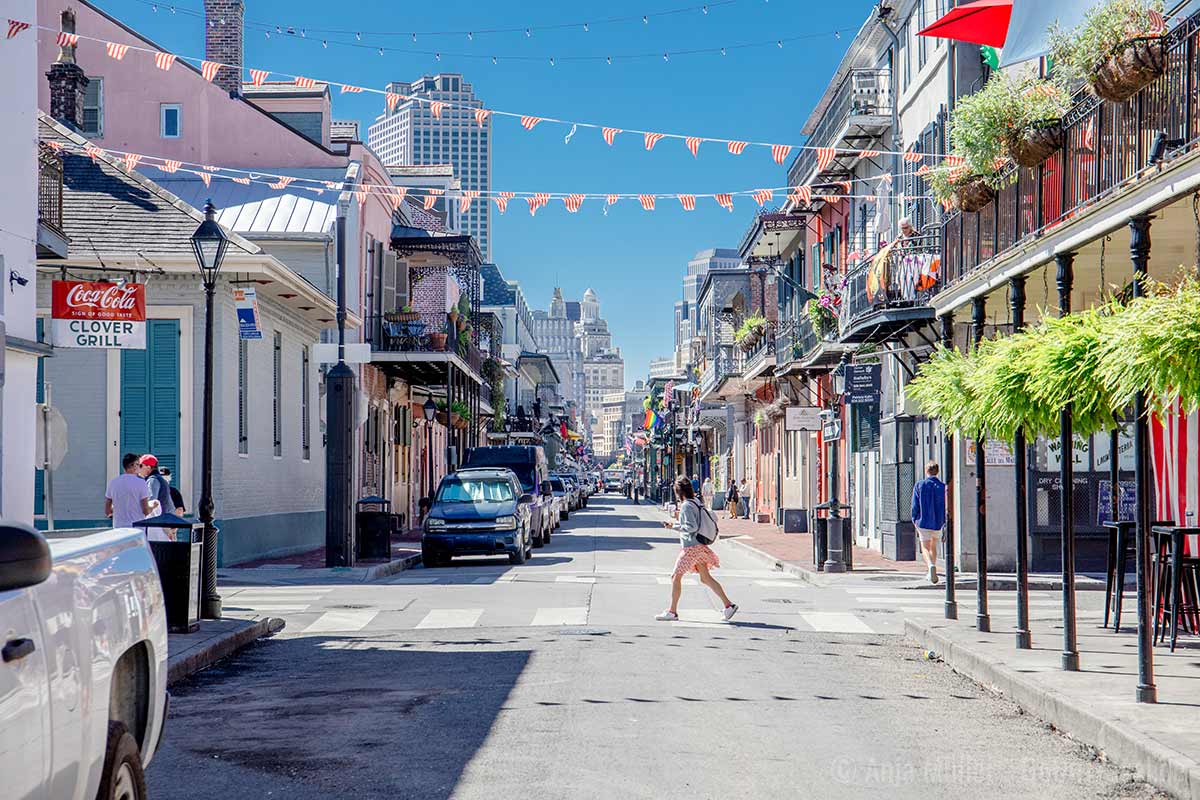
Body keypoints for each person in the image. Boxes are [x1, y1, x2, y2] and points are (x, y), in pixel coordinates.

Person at [656, 476, 737, 622]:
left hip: (691, 547)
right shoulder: (696, 502)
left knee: (675, 577)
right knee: (705, 578)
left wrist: (673, 526)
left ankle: (672, 612)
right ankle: (728, 605)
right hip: (700, 546)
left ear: (679, 492)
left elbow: (691, 527)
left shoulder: (687, 505)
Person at [911, 460, 947, 585]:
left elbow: (915, 505)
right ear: (937, 472)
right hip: (938, 522)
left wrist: (914, 519)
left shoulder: (920, 485)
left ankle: (930, 566)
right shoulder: (943, 487)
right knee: (933, 546)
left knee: (924, 547)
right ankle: (932, 567)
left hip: (923, 521)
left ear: (926, 471)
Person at [105, 452, 154, 530]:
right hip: (137, 529)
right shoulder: (141, 483)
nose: (140, 467)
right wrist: (153, 506)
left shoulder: (112, 482)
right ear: (134, 465)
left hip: (118, 528)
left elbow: (108, 511)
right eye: (139, 465)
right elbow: (146, 511)